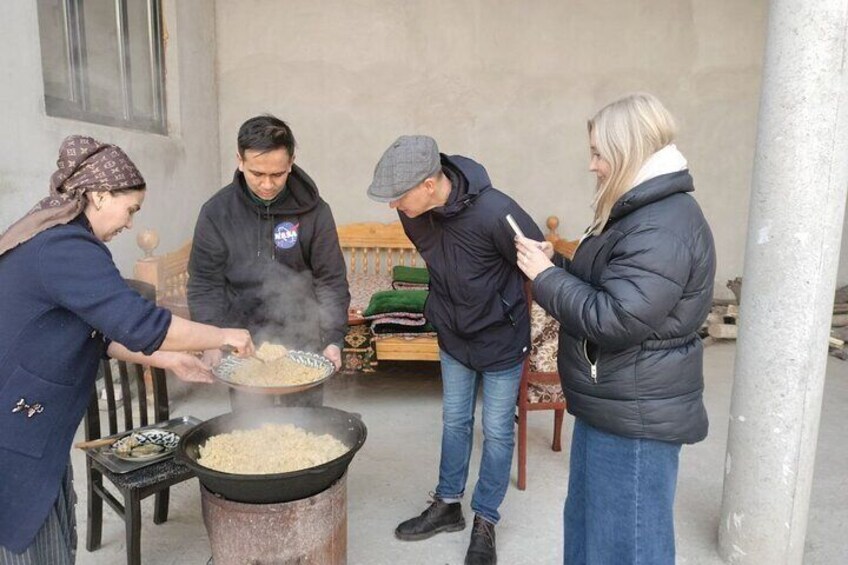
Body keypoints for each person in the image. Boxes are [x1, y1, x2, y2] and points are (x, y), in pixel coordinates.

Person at [0, 135, 254, 564]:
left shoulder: (61, 237)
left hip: (37, 424)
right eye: (131, 209)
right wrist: (224, 335)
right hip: (16, 426)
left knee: (47, 531)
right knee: (26, 538)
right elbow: (140, 321)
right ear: (99, 195)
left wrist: (169, 358)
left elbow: (98, 331)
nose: (130, 223)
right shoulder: (63, 248)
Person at [515, 93, 716, 564]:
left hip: (636, 415)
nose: (592, 165)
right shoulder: (641, 212)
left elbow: (616, 318)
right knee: (593, 531)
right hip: (613, 403)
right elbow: (613, 286)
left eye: (599, 153)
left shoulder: (661, 225)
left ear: (628, 151)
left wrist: (544, 278)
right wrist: (556, 263)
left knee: (627, 544)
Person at [367, 135, 543, 565]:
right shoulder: (415, 216)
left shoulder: (496, 211)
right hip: (453, 334)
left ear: (430, 183)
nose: (393, 207)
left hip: (501, 337)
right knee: (455, 422)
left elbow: (540, 256)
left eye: (398, 196)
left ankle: (485, 519)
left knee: (498, 431)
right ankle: (448, 505)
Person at [188, 115, 350, 409]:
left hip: (303, 334)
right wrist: (210, 337)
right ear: (239, 160)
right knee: (251, 425)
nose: (266, 184)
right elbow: (205, 282)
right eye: (257, 173)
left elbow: (330, 279)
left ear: (291, 162)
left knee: (305, 428)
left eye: (277, 174)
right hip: (242, 339)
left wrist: (333, 338)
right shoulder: (217, 212)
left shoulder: (315, 212)